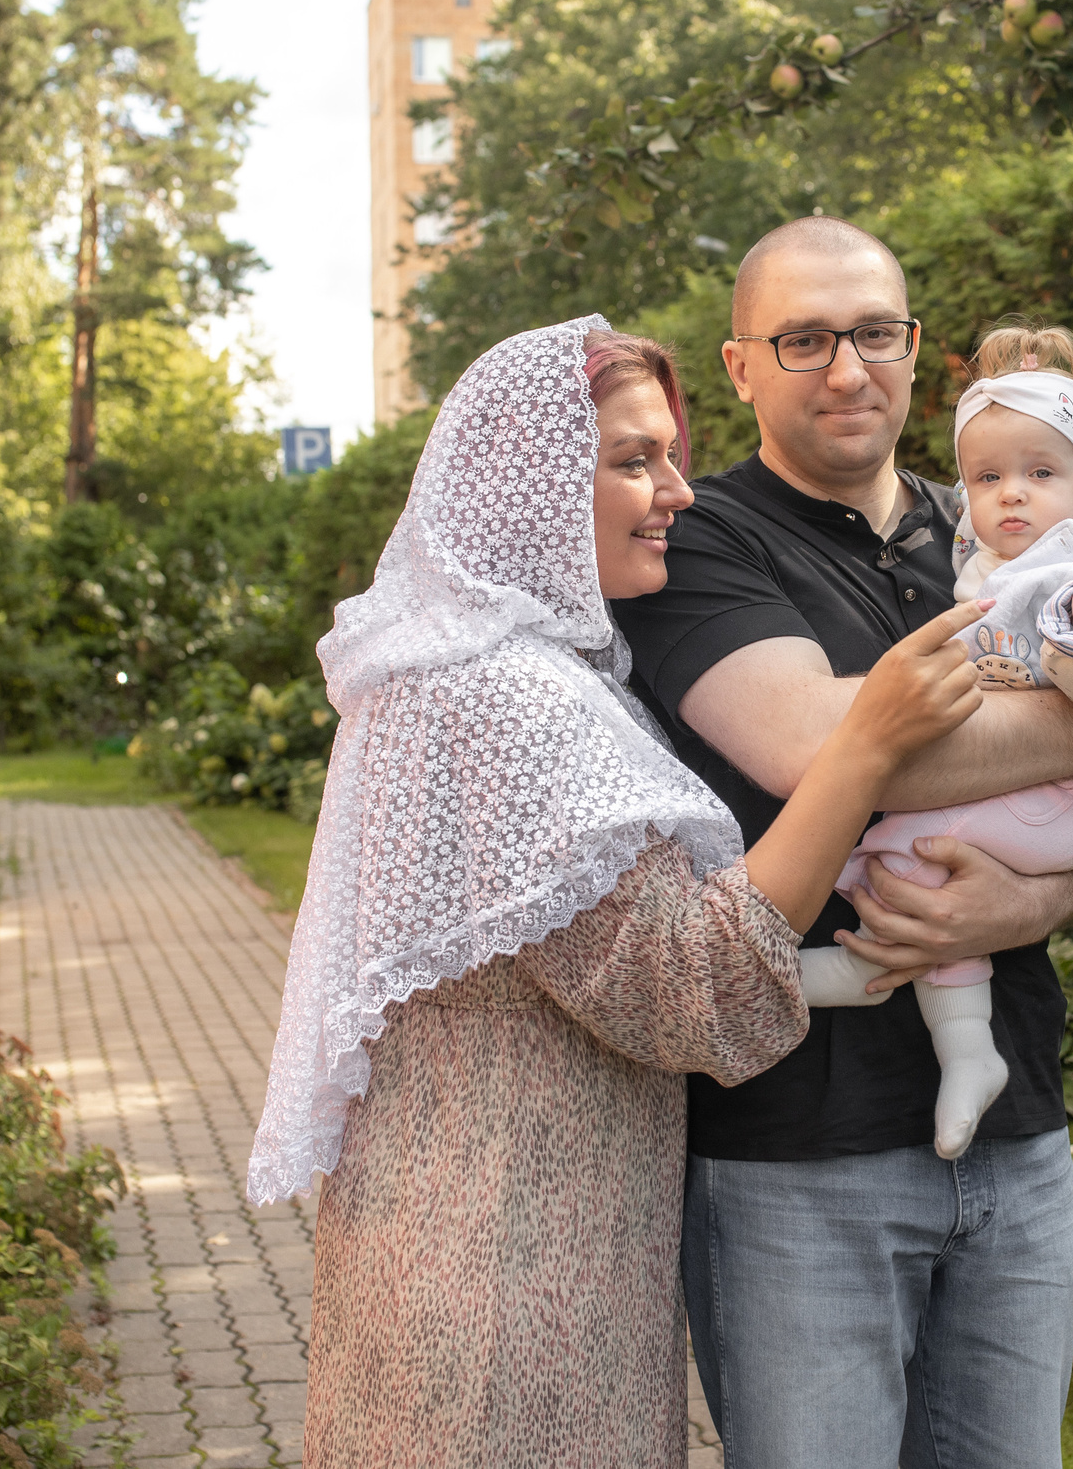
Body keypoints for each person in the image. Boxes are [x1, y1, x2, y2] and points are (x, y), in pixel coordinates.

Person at [247, 316, 989, 1469]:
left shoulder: (456, 664)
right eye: (633, 461)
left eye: (675, 455)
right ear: (530, 486)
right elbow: (687, 990)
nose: (677, 492)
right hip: (514, 1290)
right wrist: (862, 749)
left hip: (461, 1246)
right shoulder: (503, 699)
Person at [613, 221, 1073, 1469]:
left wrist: (1036, 902)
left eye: (875, 333)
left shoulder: (991, 521)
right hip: (796, 1157)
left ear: (915, 347)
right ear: (739, 366)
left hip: (1018, 1132)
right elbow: (817, 744)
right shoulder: (698, 540)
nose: (847, 369)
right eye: (803, 339)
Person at [794, 323, 1073, 1159]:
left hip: (1053, 810)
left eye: (1039, 474)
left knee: (896, 846)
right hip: (1028, 802)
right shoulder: (989, 562)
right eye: (987, 477)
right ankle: (968, 1054)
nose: (1011, 495)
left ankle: (871, 967)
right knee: (909, 858)